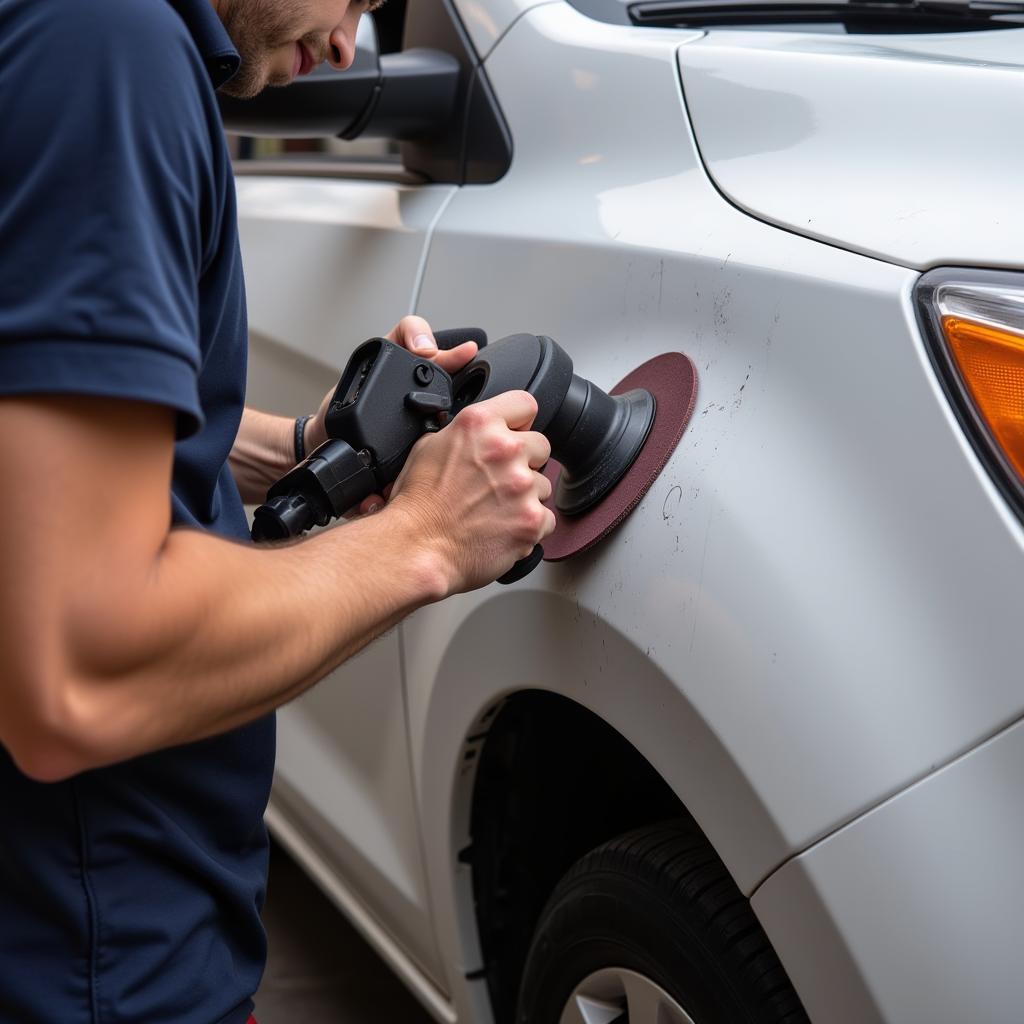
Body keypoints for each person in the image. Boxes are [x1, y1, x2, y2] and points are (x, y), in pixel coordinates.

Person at [0, 1, 555, 1022]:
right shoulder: (105, 45)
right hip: (90, 967)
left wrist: (309, 450)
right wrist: (425, 538)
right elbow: (77, 670)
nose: (349, 44)